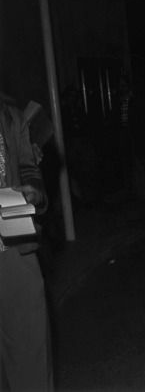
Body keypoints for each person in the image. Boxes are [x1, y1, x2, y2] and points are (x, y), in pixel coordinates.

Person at [0, 94, 52, 391]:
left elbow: (30, 170)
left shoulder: (12, 117)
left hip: (15, 245)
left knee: (29, 358)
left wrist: (34, 192)